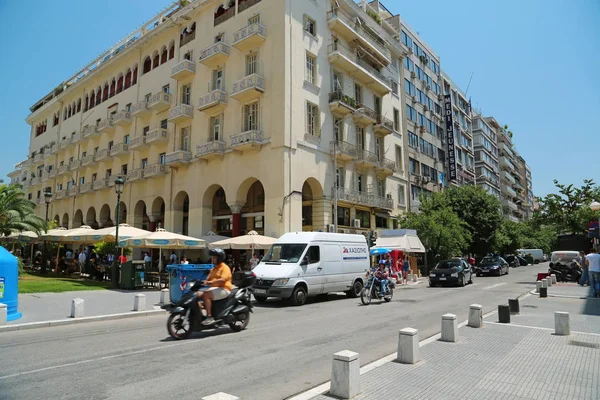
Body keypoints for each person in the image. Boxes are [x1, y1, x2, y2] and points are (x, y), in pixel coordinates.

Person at [196, 248, 232, 325]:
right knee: (197, 294)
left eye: (214, 257)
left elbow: (223, 279)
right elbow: (208, 278)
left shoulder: (225, 268)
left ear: (219, 258)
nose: (212, 259)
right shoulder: (214, 268)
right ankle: (199, 315)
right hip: (215, 288)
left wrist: (211, 282)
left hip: (224, 289)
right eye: (212, 257)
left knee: (206, 295)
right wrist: (201, 281)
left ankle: (209, 317)